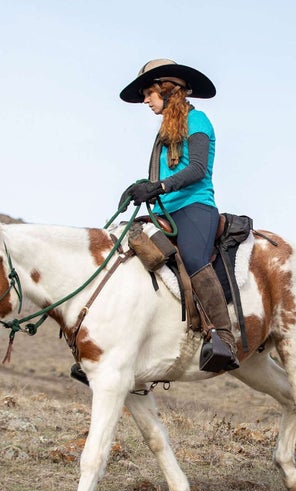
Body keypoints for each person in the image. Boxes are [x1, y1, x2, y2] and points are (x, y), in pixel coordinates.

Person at [120, 59, 239, 372]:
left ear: (167, 89)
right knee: (127, 244)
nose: (145, 101)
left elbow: (197, 169)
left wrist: (158, 186)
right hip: (165, 210)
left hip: (194, 206)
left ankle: (223, 338)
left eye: (148, 93)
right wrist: (143, 188)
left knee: (194, 257)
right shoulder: (164, 131)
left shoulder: (197, 120)